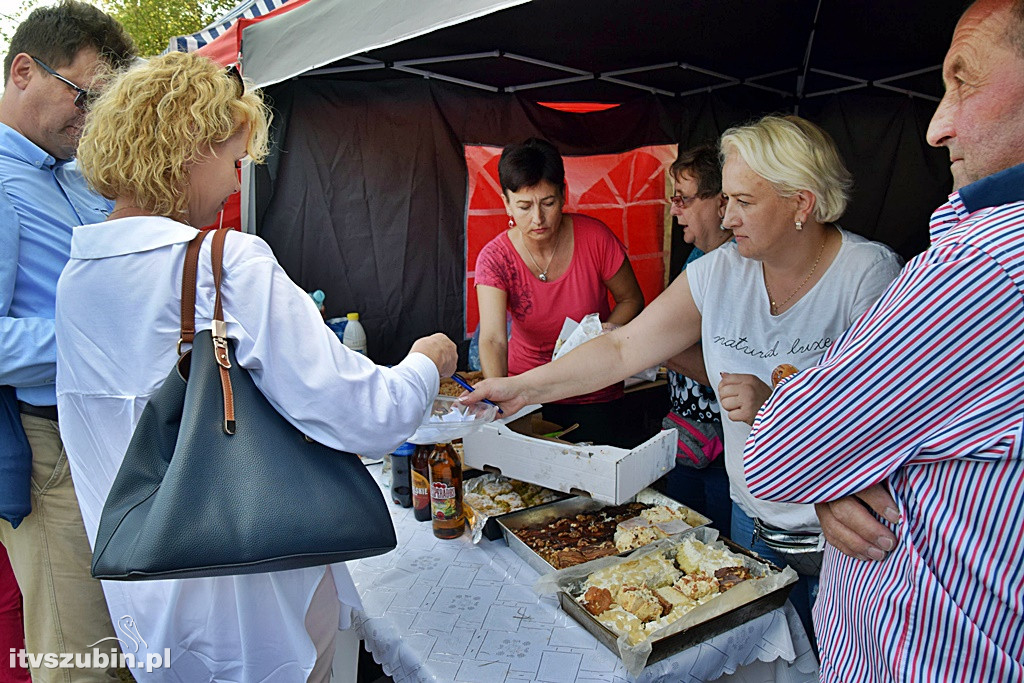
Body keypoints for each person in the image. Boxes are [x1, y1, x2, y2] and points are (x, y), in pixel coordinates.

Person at [59, 52, 457, 682]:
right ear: (189, 148)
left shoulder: (77, 278)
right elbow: (368, 415)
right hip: (256, 597)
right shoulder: (228, 264)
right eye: (233, 158)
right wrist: (424, 364)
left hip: (148, 592)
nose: (236, 180)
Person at [464, 115, 903, 643]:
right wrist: (522, 388)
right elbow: (625, 346)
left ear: (800, 203)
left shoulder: (868, 275)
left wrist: (782, 405)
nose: (727, 214)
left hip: (840, 539)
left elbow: (889, 423)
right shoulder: (721, 270)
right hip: (752, 518)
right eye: (726, 199)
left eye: (743, 200)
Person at [742, 0, 1024, 679]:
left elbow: (780, 455)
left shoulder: (977, 264)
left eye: (965, 82)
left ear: (800, 201)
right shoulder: (722, 270)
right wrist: (834, 452)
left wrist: (822, 448)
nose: (936, 125)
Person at [0, 3, 136, 681]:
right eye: (84, 95)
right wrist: (104, 336)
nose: (92, 116)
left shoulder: (77, 172)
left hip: (111, 437)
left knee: (127, 639)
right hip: (50, 450)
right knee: (78, 656)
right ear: (24, 71)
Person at [474, 138, 646, 448]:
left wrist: (602, 333)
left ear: (564, 194)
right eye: (524, 206)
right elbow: (493, 339)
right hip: (528, 395)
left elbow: (631, 299)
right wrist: (498, 396)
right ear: (507, 203)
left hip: (595, 388)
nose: (538, 218)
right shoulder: (495, 258)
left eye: (548, 203)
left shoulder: (595, 237)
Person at [660, 143, 733, 532]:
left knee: (719, 549)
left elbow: (723, 370)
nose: (675, 210)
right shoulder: (699, 256)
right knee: (681, 537)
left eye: (684, 199)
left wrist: (652, 348)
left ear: (721, 202)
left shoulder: (736, 262)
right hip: (689, 439)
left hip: (723, 451)